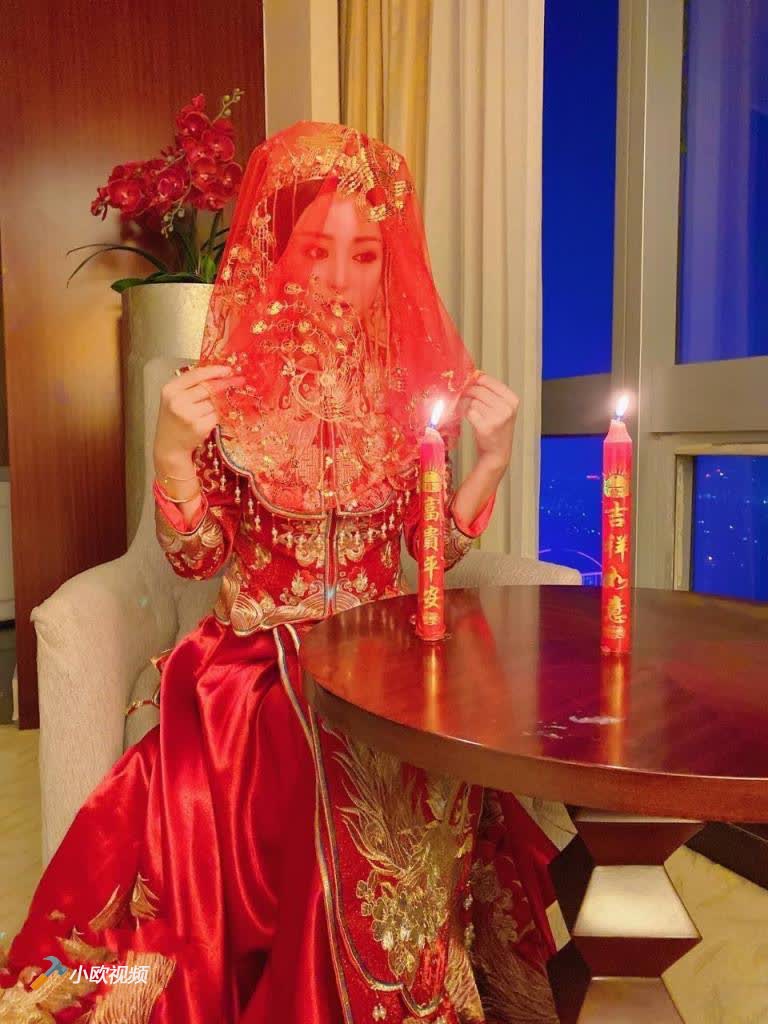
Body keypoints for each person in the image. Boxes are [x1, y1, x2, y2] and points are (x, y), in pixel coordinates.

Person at [0, 122, 558, 1023]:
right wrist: (172, 454)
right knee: (297, 746)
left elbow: (429, 556)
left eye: (365, 255)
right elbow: (198, 558)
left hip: (388, 653)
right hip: (260, 661)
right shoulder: (229, 390)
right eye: (315, 250)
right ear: (277, 253)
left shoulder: (407, 390)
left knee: (437, 739)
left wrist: (489, 464)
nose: (340, 279)